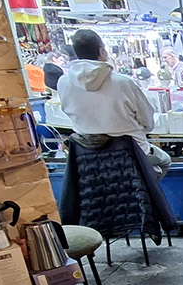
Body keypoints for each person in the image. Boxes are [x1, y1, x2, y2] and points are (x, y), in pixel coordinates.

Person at [59, 30, 171, 177]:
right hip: (132, 151)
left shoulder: (63, 83)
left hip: (88, 154)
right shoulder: (123, 82)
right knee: (165, 161)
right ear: (101, 51)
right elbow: (147, 121)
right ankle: (149, 190)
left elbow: (68, 112)